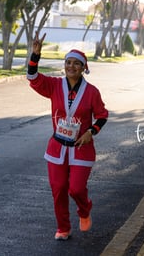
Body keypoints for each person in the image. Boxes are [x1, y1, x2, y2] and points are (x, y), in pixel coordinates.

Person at [26, 31, 108, 241]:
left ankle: (85, 209)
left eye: (76, 63)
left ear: (83, 68)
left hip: (81, 149)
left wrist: (92, 131)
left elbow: (101, 115)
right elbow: (33, 78)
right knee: (59, 189)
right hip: (57, 148)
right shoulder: (54, 86)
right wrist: (35, 55)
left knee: (76, 189)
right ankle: (63, 227)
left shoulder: (92, 92)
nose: (71, 66)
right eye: (68, 62)